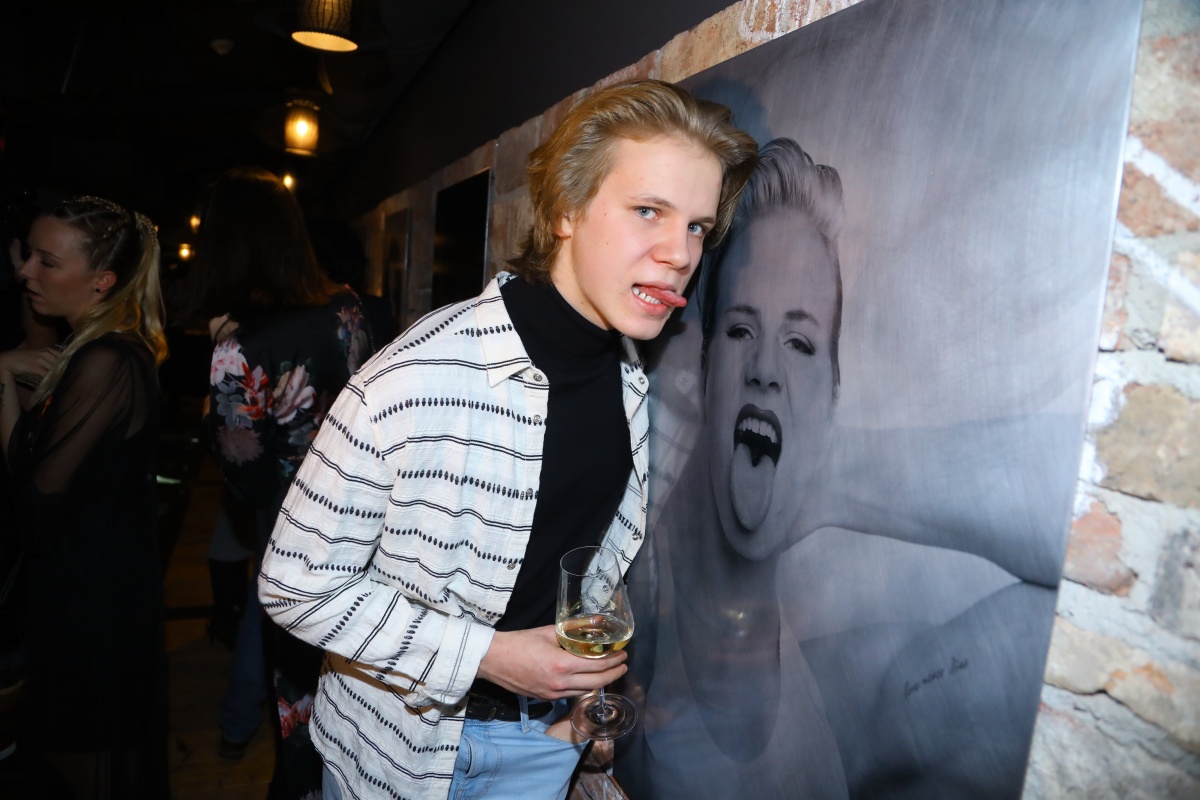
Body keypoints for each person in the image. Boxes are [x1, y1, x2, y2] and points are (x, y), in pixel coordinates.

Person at [257, 78, 758, 800]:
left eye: (698, 227)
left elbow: (575, 559)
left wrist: (582, 702)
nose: (680, 253)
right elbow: (293, 585)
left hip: (548, 741)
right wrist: (485, 655)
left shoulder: (628, 374)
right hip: (406, 755)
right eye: (648, 210)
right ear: (565, 211)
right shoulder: (417, 377)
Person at [618, 139, 1061, 799]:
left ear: (832, 395)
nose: (766, 370)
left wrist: (835, 470)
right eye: (740, 330)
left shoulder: (860, 685)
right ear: (705, 368)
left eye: (801, 344)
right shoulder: (627, 570)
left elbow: (1072, 542)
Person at [187, 167, 378, 798]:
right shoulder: (346, 306)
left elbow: (243, 475)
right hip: (363, 519)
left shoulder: (238, 348)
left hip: (292, 536)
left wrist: (215, 394)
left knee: (298, 693)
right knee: (348, 685)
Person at [0, 195, 169, 799]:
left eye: (46, 262)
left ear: (101, 282)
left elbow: (35, 507)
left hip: (93, 597)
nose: (26, 272)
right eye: (28, 256)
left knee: (83, 760)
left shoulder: (106, 359)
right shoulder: (88, 349)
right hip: (79, 581)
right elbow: (32, 461)